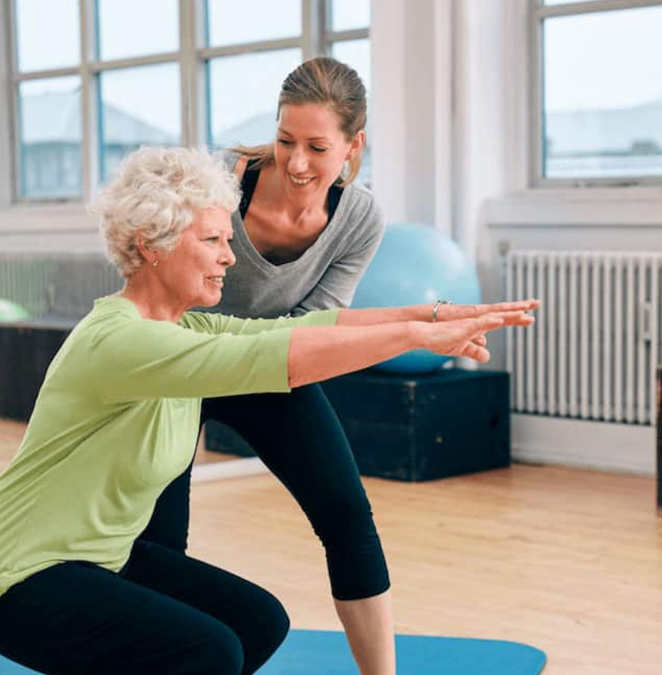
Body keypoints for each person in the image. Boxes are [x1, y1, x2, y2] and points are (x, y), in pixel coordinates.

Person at [0, 146, 536, 675]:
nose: (230, 258)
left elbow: (309, 325)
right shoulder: (120, 341)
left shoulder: (186, 324)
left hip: (98, 560)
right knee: (208, 651)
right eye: (212, 241)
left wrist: (435, 317)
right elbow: (283, 356)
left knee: (258, 622)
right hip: (18, 579)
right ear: (149, 245)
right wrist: (413, 337)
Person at [140, 55, 475, 675]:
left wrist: (417, 330)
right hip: (181, 362)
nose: (296, 163)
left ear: (354, 145)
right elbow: (153, 290)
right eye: (285, 140)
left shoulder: (359, 218)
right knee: (160, 539)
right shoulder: (216, 185)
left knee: (347, 516)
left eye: (317, 147)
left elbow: (316, 328)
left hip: (268, 365)